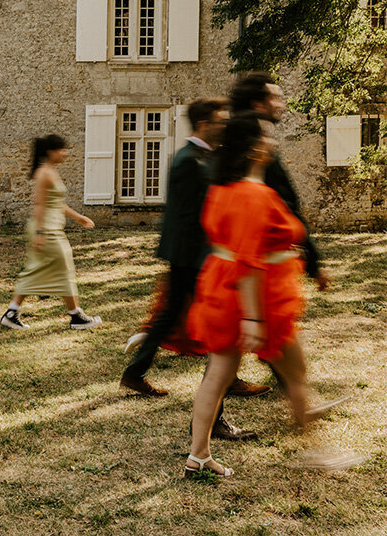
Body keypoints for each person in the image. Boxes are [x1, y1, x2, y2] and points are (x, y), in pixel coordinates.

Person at [183, 114, 331, 478]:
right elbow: (248, 262)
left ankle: (198, 455)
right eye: (266, 138)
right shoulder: (254, 195)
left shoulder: (221, 190)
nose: (272, 144)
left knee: (218, 374)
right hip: (257, 298)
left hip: (222, 291)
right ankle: (317, 452)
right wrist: (253, 318)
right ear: (253, 149)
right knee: (295, 376)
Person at [121, 100, 270, 409]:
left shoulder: (200, 157)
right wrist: (213, 255)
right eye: (220, 122)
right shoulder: (189, 160)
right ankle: (227, 379)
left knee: (170, 315)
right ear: (204, 124)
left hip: (188, 254)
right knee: (222, 315)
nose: (224, 127)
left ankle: (135, 373)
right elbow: (192, 216)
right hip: (191, 255)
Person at [228, 72, 330, 292]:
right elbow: (288, 206)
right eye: (275, 98)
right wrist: (314, 265)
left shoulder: (233, 145)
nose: (281, 105)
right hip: (257, 269)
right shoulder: (256, 156)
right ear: (258, 104)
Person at [0, 134, 101, 331]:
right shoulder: (44, 173)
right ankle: (76, 316)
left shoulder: (51, 171)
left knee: (37, 270)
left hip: (52, 228)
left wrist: (78, 217)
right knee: (63, 268)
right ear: (50, 152)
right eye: (61, 149)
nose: (65, 153)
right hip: (45, 229)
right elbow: (38, 204)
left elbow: (56, 203)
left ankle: (11, 313)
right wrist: (39, 232)